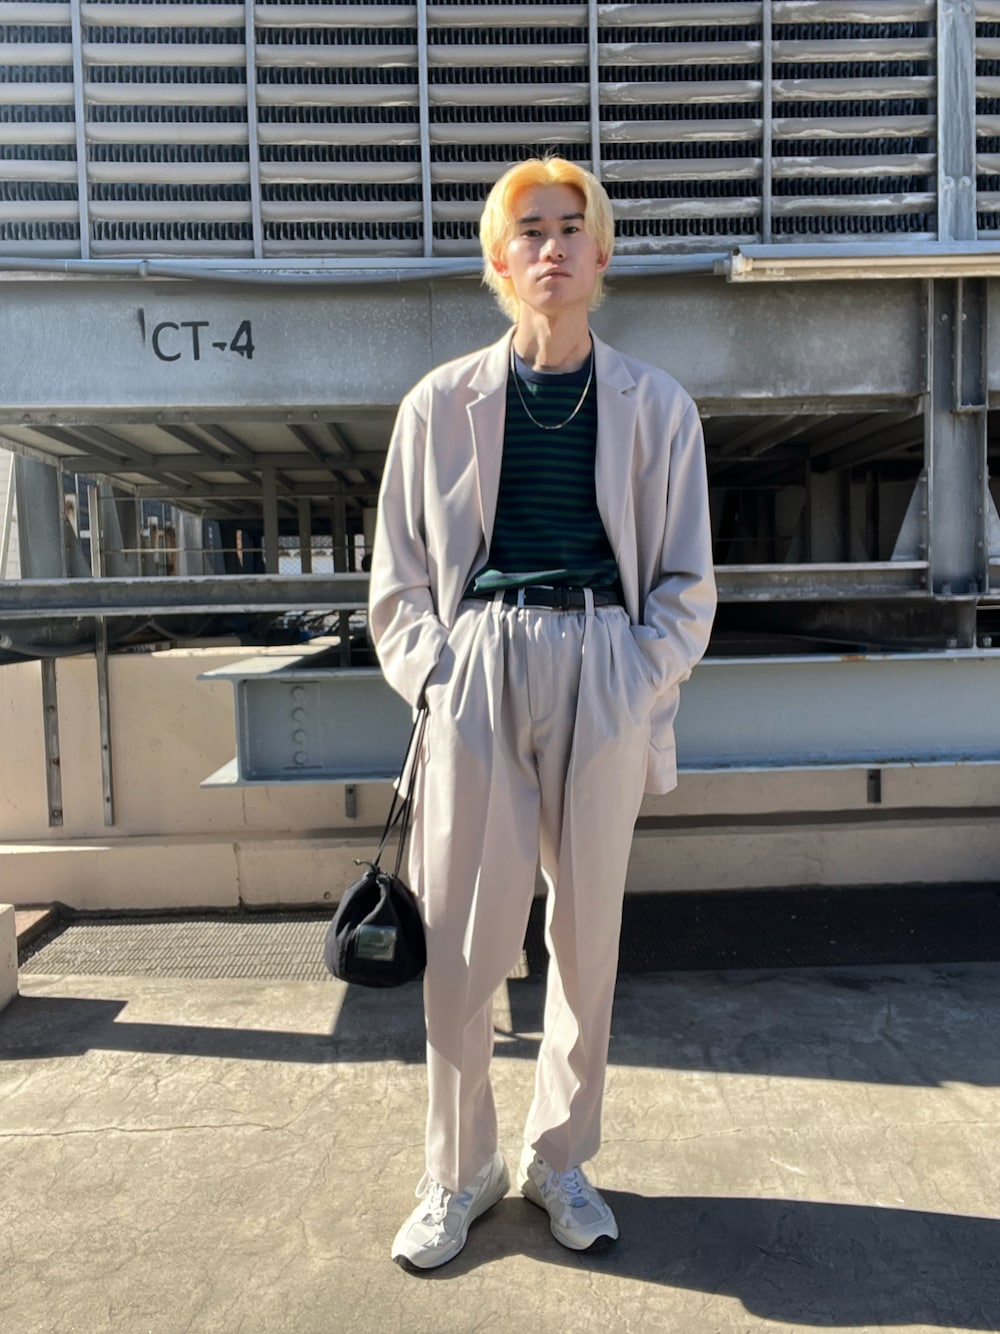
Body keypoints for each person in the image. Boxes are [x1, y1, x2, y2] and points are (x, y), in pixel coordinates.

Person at [368, 156, 717, 1271]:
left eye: (572, 227)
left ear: (602, 254)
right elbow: (397, 579)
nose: (552, 247)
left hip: (602, 660)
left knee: (586, 935)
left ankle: (558, 1158)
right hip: (479, 663)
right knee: (463, 942)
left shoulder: (656, 404)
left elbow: (687, 579)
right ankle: (458, 1169)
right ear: (498, 256)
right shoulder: (439, 403)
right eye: (530, 229)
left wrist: (641, 671)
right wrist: (437, 675)